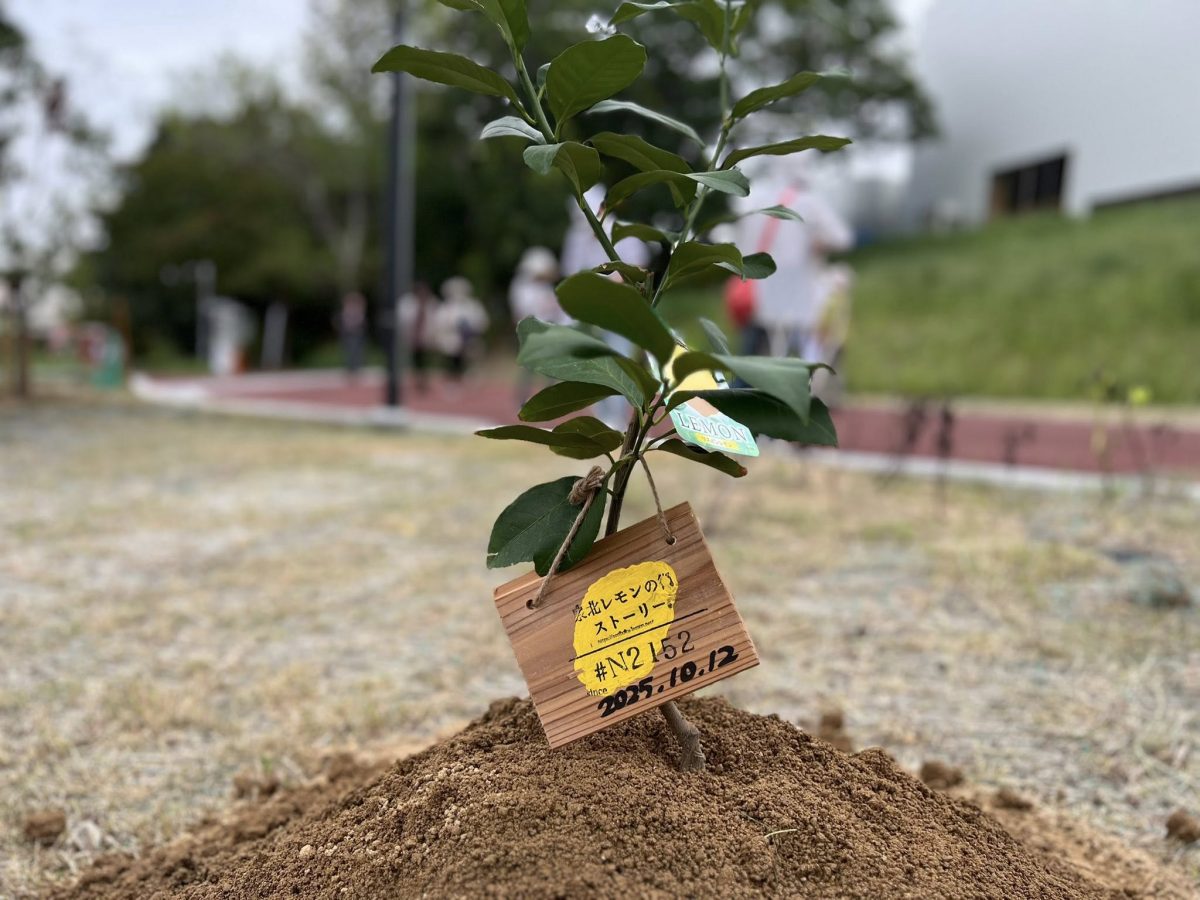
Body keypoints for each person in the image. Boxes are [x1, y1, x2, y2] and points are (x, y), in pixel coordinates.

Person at [734, 160, 853, 358]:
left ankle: (744, 374)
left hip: (759, 288)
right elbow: (842, 238)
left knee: (759, 344)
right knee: (799, 343)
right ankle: (806, 371)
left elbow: (741, 245)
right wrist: (817, 243)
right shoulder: (808, 202)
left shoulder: (755, 200)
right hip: (798, 291)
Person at [561, 186, 652, 428]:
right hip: (590, 314)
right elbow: (571, 273)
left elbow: (638, 270)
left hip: (620, 312)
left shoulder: (624, 233)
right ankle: (604, 417)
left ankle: (617, 417)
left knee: (619, 362)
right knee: (595, 365)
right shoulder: (576, 238)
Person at [509, 247, 564, 405]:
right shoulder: (522, 287)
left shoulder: (545, 287)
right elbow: (521, 311)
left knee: (551, 366)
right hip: (532, 330)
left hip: (549, 328)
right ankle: (523, 399)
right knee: (529, 367)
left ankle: (549, 397)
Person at [435, 276, 489, 383]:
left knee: (473, 354)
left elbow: (482, 321)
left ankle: (469, 375)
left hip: (470, 339)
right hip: (452, 339)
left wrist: (471, 329)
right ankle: (453, 377)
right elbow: (440, 323)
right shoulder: (446, 307)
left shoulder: (473, 305)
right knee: (452, 356)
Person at [397, 281, 440, 393]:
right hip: (412, 337)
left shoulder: (431, 303)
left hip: (426, 337)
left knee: (425, 360)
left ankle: (424, 379)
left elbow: (436, 320)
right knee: (415, 359)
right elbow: (404, 320)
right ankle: (417, 379)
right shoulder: (408, 303)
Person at [335, 291, 368, 378]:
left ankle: (356, 368)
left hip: (357, 333)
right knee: (349, 351)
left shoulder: (358, 310)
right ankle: (350, 368)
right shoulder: (346, 310)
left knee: (357, 351)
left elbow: (361, 321)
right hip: (348, 333)